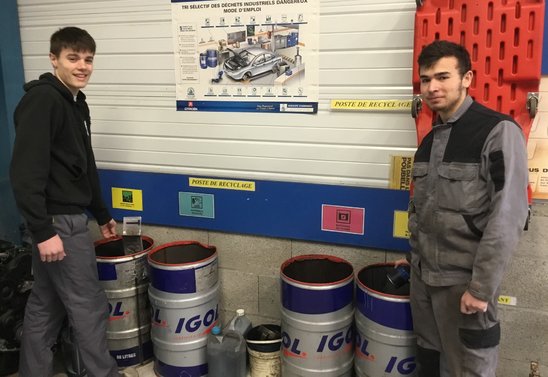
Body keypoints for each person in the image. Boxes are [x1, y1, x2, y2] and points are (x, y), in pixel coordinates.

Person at [400, 40, 529, 376]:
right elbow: (425, 212)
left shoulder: (497, 131)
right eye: (425, 80)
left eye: (442, 77)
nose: (432, 87)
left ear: (467, 78)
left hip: (464, 288)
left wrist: (480, 288)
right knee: (429, 364)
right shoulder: (429, 141)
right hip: (424, 283)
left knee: (468, 369)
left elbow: (509, 216)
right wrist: (414, 257)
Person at [10, 27, 119, 377]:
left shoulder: (75, 102)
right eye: (73, 58)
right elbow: (25, 172)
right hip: (58, 225)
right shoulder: (43, 100)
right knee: (89, 306)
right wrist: (42, 231)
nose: (83, 66)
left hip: (66, 219)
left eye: (88, 59)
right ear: (53, 59)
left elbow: (84, 162)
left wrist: (101, 214)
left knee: (46, 305)